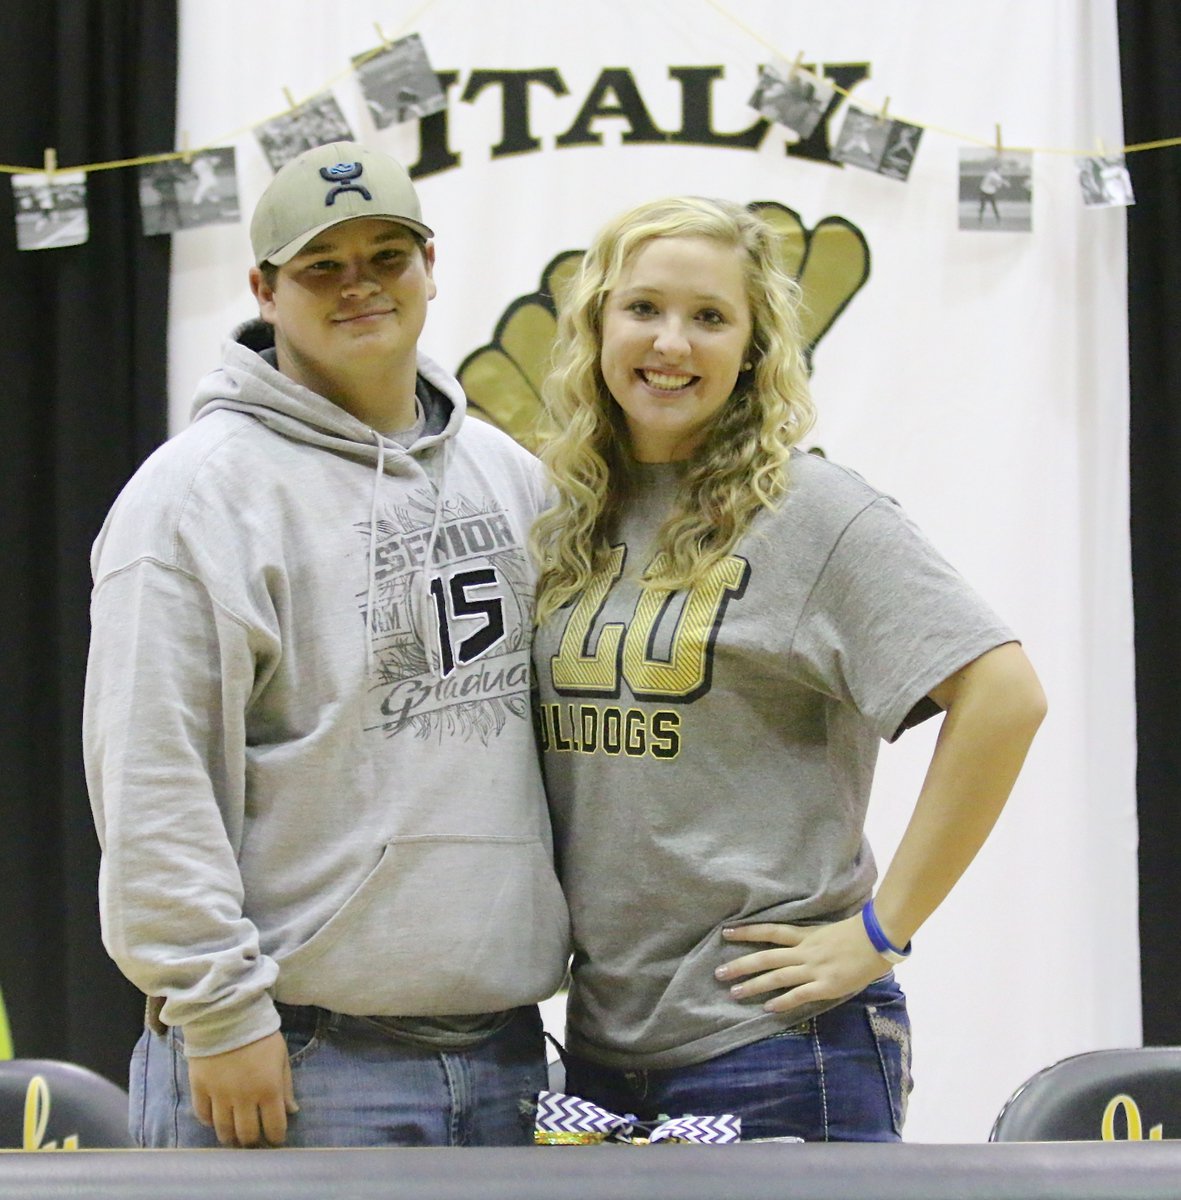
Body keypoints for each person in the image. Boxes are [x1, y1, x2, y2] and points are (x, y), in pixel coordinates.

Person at [83, 141, 569, 1149]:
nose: (359, 286)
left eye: (385, 256)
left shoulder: (507, 475)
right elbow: (152, 776)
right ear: (263, 288)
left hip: (506, 1057)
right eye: (321, 267)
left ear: (430, 266)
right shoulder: (192, 500)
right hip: (297, 1061)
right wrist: (217, 1013)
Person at [529, 196, 1046, 1142]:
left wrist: (879, 933)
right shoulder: (566, 516)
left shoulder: (810, 510)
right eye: (642, 308)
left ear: (755, 348)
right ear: (597, 322)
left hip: (779, 1048)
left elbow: (1003, 696)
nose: (671, 342)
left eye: (710, 318)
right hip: (603, 1050)